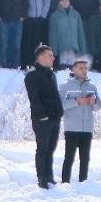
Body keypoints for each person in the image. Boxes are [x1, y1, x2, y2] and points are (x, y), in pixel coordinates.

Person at [25, 45, 62, 189]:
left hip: (55, 117)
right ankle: (42, 177)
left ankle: (49, 175)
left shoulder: (51, 74)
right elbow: (34, 98)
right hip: (42, 119)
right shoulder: (32, 75)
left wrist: (59, 112)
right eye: (49, 55)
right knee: (42, 148)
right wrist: (43, 115)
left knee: (51, 148)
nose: (53, 58)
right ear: (41, 57)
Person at [59, 58, 101, 183]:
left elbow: (98, 108)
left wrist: (94, 102)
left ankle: (83, 182)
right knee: (69, 158)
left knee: (85, 158)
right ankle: (65, 182)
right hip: (71, 127)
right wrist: (76, 102)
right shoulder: (65, 86)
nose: (84, 71)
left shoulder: (92, 86)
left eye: (85, 68)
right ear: (73, 69)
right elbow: (59, 105)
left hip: (87, 127)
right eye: (81, 68)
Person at [47, 0, 87, 70]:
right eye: (63, 1)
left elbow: (80, 32)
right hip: (62, 46)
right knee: (63, 67)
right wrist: (54, 50)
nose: (65, 3)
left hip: (73, 45)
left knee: (72, 66)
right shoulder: (55, 16)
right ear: (59, 2)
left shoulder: (76, 15)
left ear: (69, 2)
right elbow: (53, 35)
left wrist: (83, 48)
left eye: (66, 1)